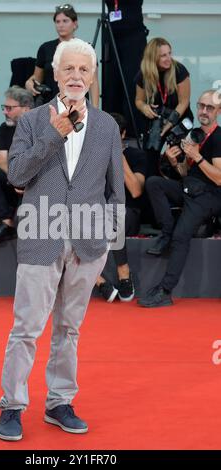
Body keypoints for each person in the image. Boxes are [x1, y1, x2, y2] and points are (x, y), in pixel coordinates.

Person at [0, 38, 125, 441]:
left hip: (89, 242)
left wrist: (110, 246)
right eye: (68, 69)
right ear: (55, 74)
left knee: (70, 329)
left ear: (92, 76)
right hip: (40, 234)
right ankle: (12, 405)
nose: (75, 76)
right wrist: (55, 134)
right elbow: (16, 176)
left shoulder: (106, 126)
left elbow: (115, 190)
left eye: (83, 70)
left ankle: (59, 402)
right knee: (26, 329)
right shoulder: (34, 121)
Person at [138, 90, 221, 308]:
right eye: (201, 105)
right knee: (154, 183)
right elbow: (187, 173)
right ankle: (166, 232)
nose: (204, 111)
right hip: (189, 187)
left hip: (208, 196)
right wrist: (176, 162)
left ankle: (165, 291)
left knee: (181, 235)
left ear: (218, 111)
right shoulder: (194, 135)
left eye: (209, 107)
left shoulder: (219, 137)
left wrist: (197, 156)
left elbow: (220, 179)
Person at [96, 113, 146, 302]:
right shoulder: (91, 156)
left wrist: (117, 156)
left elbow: (135, 191)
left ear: (122, 134)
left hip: (127, 213)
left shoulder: (136, 156)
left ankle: (124, 274)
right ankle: (99, 281)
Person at [0, 86, 34, 245]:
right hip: (13, 179)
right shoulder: (5, 128)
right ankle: (6, 221)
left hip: (33, 185)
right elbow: (2, 160)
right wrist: (15, 179)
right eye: (4, 107)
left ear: (26, 109)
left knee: (22, 223)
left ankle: (15, 222)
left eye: (9, 108)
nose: (5, 112)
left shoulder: (40, 129)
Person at [135, 37, 193, 177]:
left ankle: (178, 189)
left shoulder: (179, 70)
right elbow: (138, 100)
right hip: (158, 120)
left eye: (169, 53)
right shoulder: (144, 73)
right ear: (153, 57)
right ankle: (153, 188)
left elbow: (184, 102)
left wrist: (170, 124)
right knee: (150, 158)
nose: (168, 58)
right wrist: (144, 108)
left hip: (179, 118)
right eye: (163, 55)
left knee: (175, 157)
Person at [25, 3, 99, 108]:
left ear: (75, 23)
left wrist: (95, 109)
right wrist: (29, 82)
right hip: (50, 104)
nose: (61, 25)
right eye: (57, 21)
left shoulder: (86, 49)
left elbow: (93, 82)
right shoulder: (45, 48)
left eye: (65, 21)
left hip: (77, 104)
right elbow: (37, 78)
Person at [103, 0, 148, 137]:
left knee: (131, 83)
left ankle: (133, 131)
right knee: (111, 84)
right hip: (112, 34)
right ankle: (109, 129)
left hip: (133, 36)